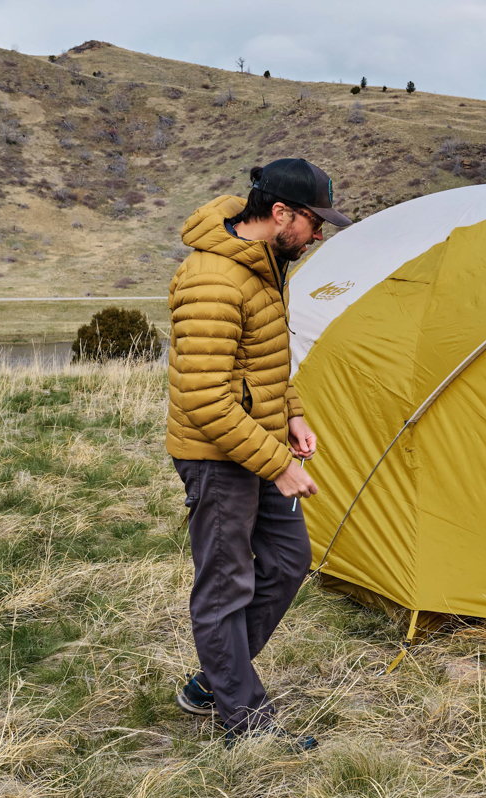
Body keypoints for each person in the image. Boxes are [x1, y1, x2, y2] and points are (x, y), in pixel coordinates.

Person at [166, 158, 352, 748]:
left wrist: (292, 413)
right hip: (218, 456)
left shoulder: (264, 267)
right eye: (313, 223)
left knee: (288, 560)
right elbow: (203, 398)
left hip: (260, 442)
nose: (317, 235)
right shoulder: (212, 281)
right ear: (279, 214)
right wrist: (280, 465)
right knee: (227, 585)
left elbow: (266, 361)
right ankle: (245, 726)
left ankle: (214, 682)